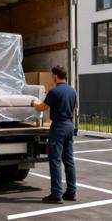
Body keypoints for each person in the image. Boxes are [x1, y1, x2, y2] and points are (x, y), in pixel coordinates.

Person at [30, 65, 78, 204]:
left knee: (55, 160)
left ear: (56, 76)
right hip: (70, 125)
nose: (52, 77)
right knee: (68, 160)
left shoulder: (54, 91)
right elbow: (74, 108)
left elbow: (43, 107)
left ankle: (56, 194)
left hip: (59, 127)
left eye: (52, 75)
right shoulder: (72, 91)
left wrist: (33, 103)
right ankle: (71, 192)